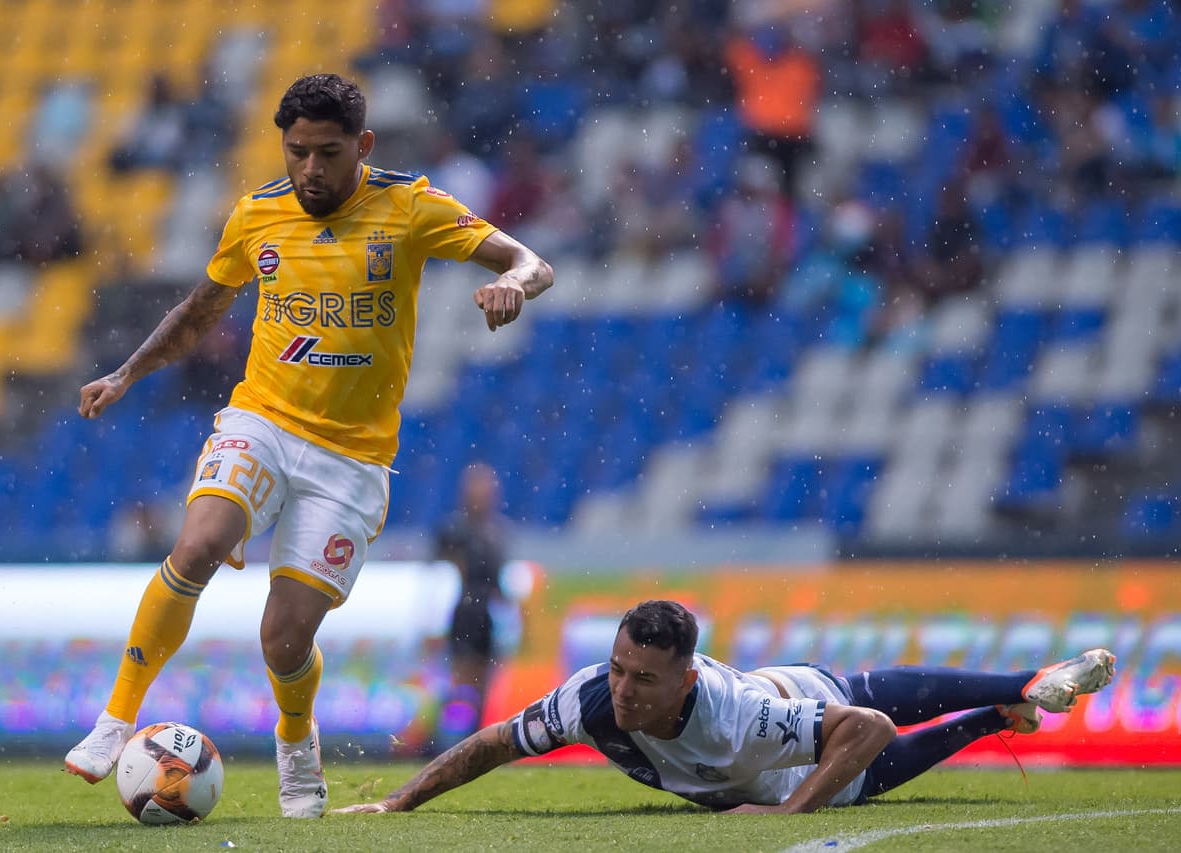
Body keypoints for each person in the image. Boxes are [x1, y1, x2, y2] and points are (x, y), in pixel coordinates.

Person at [62, 72, 554, 819]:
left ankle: (297, 739)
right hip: (262, 418)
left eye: (328, 154)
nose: (311, 171)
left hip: (352, 459)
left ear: (363, 145)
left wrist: (513, 282)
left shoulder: (412, 207)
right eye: (297, 153)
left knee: (283, 637)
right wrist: (128, 372)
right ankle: (115, 718)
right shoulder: (258, 213)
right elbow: (203, 308)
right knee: (198, 545)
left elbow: (532, 261)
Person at [333, 599, 1116, 815]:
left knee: (876, 721)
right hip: (784, 691)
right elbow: (496, 741)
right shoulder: (590, 698)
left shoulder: (732, 717)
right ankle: (1012, 700)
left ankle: (1010, 693)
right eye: (619, 668)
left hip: (810, 750)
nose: (626, 689)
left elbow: (869, 731)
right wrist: (399, 802)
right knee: (877, 689)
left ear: (686, 680)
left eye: (645, 678)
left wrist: (791, 813)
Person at [431, 463, 509, 750]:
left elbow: (499, 583)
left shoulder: (498, 532)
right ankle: (444, 743)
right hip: (462, 613)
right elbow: (439, 577)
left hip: (485, 616)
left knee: (482, 684)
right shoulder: (454, 529)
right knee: (458, 682)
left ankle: (475, 743)